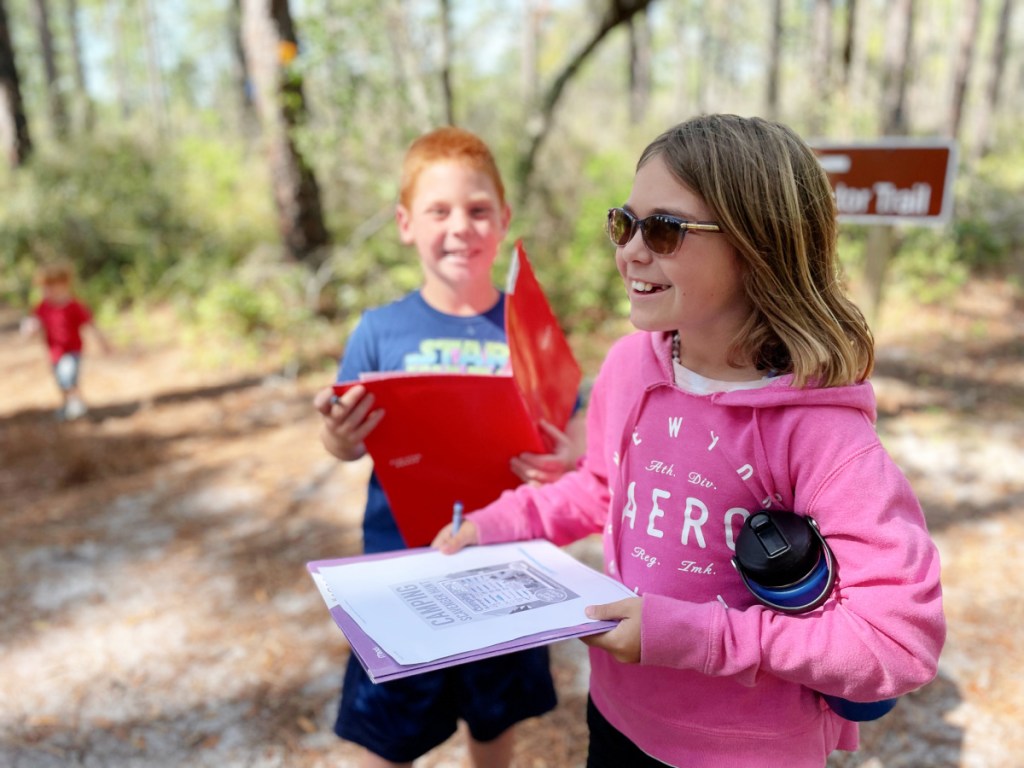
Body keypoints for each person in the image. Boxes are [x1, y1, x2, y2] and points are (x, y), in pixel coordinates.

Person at [433, 114, 946, 768]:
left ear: (759, 246)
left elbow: (896, 643)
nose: (631, 251)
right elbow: (600, 486)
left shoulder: (822, 431)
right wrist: (492, 527)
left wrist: (691, 635)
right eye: (625, 222)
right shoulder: (629, 366)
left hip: (746, 752)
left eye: (665, 230)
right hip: (617, 717)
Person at [313, 126, 586, 768]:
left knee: (493, 726)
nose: (460, 226)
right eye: (439, 211)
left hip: (508, 565)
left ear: (504, 220)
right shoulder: (380, 330)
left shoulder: (527, 326)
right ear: (407, 224)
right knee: (389, 734)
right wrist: (336, 434)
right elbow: (345, 443)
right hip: (402, 568)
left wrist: (563, 457)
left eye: (478, 210)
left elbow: (570, 426)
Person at [23, 261, 111, 421]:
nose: (46, 291)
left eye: (50, 286)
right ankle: (68, 405)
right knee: (61, 381)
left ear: (63, 285)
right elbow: (34, 323)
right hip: (54, 352)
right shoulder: (43, 306)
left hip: (72, 350)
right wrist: (30, 329)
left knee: (68, 377)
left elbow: (90, 324)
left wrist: (102, 342)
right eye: (44, 287)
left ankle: (76, 404)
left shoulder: (73, 306)